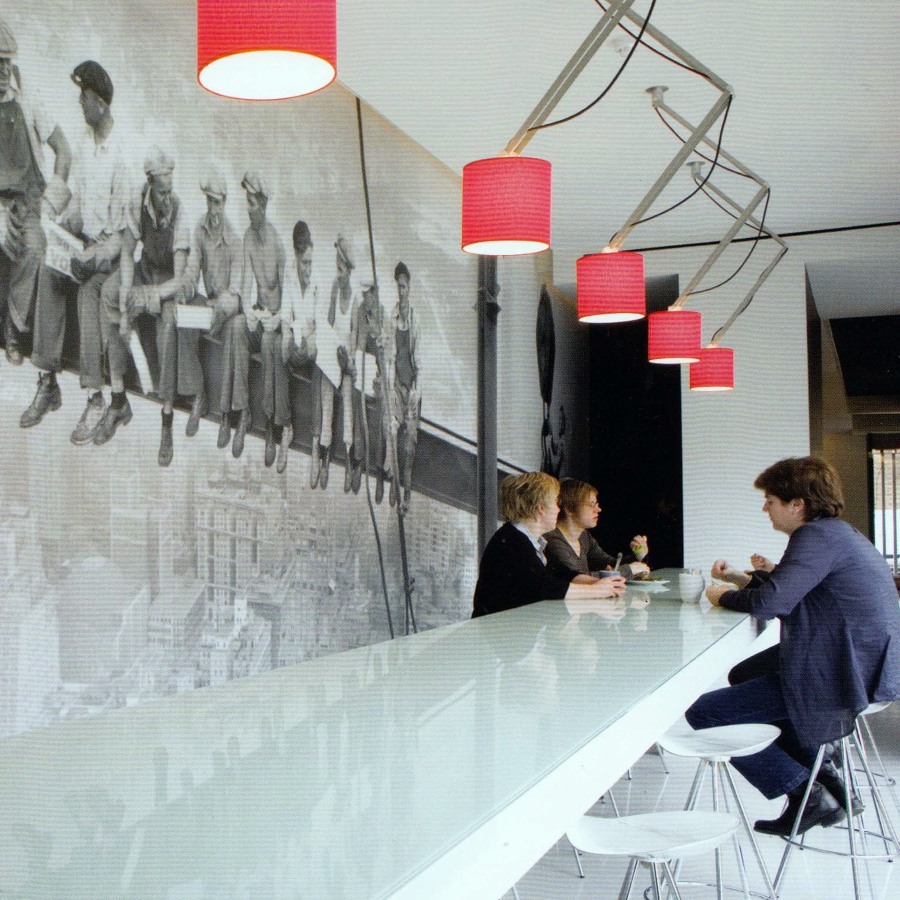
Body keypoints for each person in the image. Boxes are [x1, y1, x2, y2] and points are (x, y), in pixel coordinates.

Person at [685, 456, 900, 837]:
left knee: (704, 713)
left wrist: (720, 597)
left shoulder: (815, 537)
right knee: (744, 673)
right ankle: (826, 772)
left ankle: (806, 791)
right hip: (859, 661)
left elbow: (772, 603)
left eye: (770, 499)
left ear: (797, 504)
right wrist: (742, 578)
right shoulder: (835, 533)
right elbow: (794, 591)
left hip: (843, 673)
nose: (765, 507)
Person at [26, 60, 129, 443]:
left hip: (109, 256)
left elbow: (120, 238)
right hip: (83, 245)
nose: (80, 104)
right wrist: (62, 221)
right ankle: (47, 380)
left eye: (83, 97)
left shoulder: (121, 156)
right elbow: (80, 203)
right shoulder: (86, 144)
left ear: (100, 103)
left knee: (88, 294)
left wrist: (93, 255)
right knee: (49, 271)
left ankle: (96, 398)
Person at [96, 146, 189, 466]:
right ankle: (118, 398)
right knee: (109, 294)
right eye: (162, 193)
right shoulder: (137, 202)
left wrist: (147, 296)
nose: (166, 198)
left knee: (169, 325)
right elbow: (126, 253)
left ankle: (166, 419)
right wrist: (125, 296)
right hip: (146, 270)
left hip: (165, 284)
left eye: (170, 192)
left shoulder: (179, 213)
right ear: (151, 187)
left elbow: (179, 280)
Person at [0, 18, 71, 375]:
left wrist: (50, 205)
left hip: (28, 202)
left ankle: (13, 327)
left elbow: (64, 151)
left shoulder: (28, 103)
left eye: (6, 62)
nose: (1, 71)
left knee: (35, 247)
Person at [472, 471, 627, 618]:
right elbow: (545, 587)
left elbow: (561, 572)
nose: (558, 510)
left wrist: (599, 583)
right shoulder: (513, 542)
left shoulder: (528, 540)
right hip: (501, 636)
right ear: (541, 508)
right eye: (555, 503)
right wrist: (597, 591)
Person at [181, 171, 243, 449]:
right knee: (185, 318)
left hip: (227, 308)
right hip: (208, 303)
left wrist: (221, 308)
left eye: (217, 203)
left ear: (225, 202)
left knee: (232, 334)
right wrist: (186, 286)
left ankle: (225, 414)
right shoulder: (200, 229)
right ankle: (198, 394)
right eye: (209, 202)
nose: (212, 208)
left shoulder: (234, 241)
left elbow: (237, 293)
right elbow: (194, 266)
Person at [238, 172, 292, 470]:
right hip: (259, 316)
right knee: (236, 329)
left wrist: (277, 318)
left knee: (272, 345)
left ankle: (274, 425)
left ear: (263, 205)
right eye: (246, 203)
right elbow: (246, 283)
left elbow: (289, 299)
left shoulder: (277, 245)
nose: (248, 209)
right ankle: (240, 411)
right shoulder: (247, 238)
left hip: (276, 322)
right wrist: (248, 311)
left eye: (252, 204)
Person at [313, 233, 359, 491]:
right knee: (326, 393)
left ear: (349, 271)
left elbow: (352, 336)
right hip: (334, 355)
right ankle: (324, 451)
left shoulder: (355, 300)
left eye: (341, 270)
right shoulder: (333, 286)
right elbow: (330, 323)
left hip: (347, 360)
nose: (338, 274)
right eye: (336, 269)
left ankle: (350, 455)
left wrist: (346, 359)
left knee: (348, 396)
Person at [544, 478, 649, 580]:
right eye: (591, 505)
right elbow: (576, 578)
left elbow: (611, 564)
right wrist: (628, 570)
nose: (598, 509)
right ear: (569, 509)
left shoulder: (584, 536)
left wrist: (637, 556)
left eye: (597, 504)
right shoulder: (553, 540)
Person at [282, 219, 319, 477]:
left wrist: (308, 339)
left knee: (319, 368)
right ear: (296, 256)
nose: (307, 268)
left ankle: (316, 447)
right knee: (281, 353)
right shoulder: (289, 273)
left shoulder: (317, 279)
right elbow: (286, 312)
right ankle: (286, 427)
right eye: (304, 263)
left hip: (312, 340)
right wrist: (288, 336)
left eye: (310, 263)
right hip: (297, 336)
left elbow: (317, 323)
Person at [384, 261, 421, 509]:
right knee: (391, 430)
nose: (401, 291)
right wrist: (390, 385)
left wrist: (415, 392)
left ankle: (406, 491)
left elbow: (418, 359)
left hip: (413, 387)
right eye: (398, 286)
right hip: (397, 384)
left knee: (410, 442)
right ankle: (392, 486)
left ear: (409, 287)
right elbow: (390, 356)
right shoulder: (392, 317)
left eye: (404, 286)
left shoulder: (415, 319)